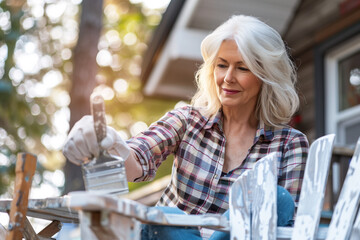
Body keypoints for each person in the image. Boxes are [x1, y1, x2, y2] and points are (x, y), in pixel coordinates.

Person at [63, 15, 309, 239]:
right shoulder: (188, 120)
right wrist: (110, 141)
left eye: (242, 68)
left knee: (276, 198)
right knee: (166, 218)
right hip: (168, 235)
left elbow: (291, 228)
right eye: (222, 65)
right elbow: (138, 159)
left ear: (265, 75)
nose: (228, 77)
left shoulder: (289, 144)